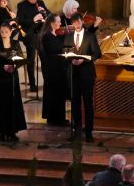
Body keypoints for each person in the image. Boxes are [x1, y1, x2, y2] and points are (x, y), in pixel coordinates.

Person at [64, 13, 101, 141]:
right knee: (74, 104)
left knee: (88, 103)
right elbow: (65, 52)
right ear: (73, 23)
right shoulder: (68, 37)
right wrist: (70, 60)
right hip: (73, 75)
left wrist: (84, 61)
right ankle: (76, 130)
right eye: (75, 22)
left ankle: (89, 132)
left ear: (82, 21)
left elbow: (97, 53)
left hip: (87, 74)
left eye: (79, 21)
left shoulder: (90, 36)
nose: (77, 24)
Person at [0, 22, 28, 142]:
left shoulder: (16, 44)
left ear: (11, 32)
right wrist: (2, 68)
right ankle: (2, 131)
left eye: (6, 32)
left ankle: (12, 131)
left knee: (13, 103)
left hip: (12, 77)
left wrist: (14, 67)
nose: (4, 34)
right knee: (2, 104)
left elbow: (21, 59)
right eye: (1, 32)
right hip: (1, 77)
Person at [16, 0, 50, 93]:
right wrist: (33, 19)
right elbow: (20, 20)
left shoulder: (40, 3)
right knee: (31, 59)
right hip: (29, 35)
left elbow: (49, 15)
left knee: (44, 59)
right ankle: (32, 84)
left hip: (41, 34)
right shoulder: (21, 5)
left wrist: (44, 12)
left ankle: (47, 82)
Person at [39, 13, 69, 127]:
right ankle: (55, 119)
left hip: (57, 68)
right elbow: (54, 52)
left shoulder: (54, 35)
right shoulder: (47, 36)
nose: (60, 23)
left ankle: (59, 118)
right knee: (55, 94)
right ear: (52, 23)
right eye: (58, 21)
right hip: (53, 70)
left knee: (59, 93)